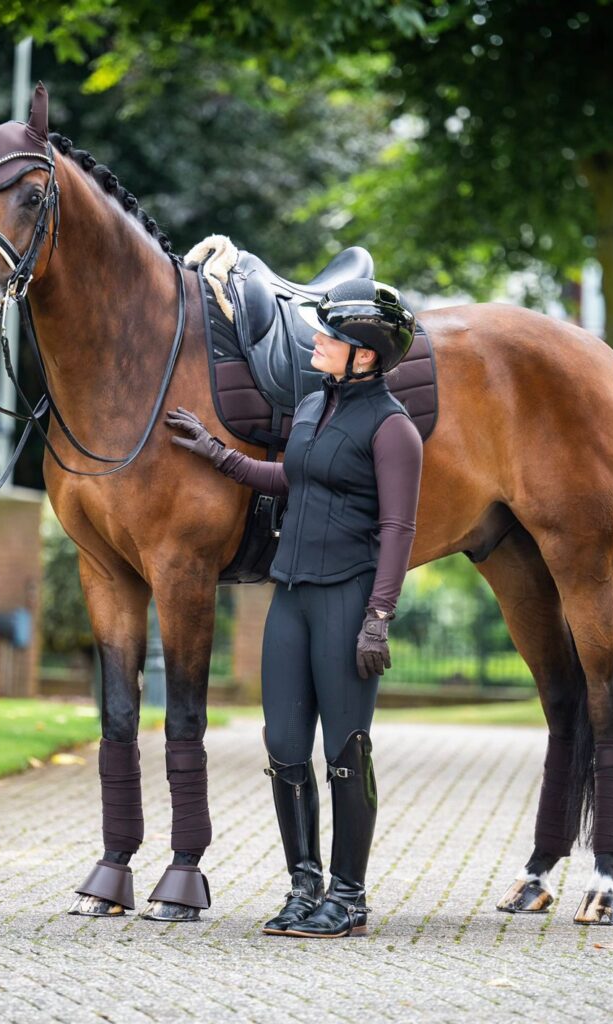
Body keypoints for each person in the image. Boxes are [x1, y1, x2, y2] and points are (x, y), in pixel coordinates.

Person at [165, 278, 423, 937]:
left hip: (346, 600)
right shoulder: (312, 406)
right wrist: (216, 452)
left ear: (365, 354)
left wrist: (378, 618)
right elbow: (290, 476)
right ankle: (304, 886)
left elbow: (399, 530)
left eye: (332, 336)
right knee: (283, 747)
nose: (318, 341)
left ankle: (349, 895)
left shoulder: (394, 430)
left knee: (345, 751)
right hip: (291, 595)